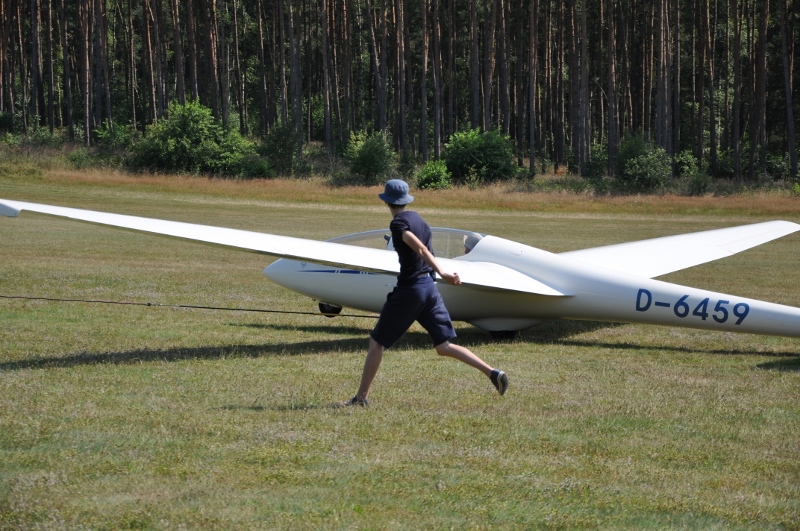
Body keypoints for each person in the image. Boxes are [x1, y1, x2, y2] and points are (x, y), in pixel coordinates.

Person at [343, 179, 508, 406]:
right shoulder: (419, 219)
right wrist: (437, 275)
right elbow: (426, 248)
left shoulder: (398, 224)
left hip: (411, 290)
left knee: (376, 342)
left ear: (387, 201)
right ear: (406, 199)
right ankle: (493, 373)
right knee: (444, 346)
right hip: (429, 288)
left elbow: (420, 248)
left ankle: (361, 399)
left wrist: (444, 272)